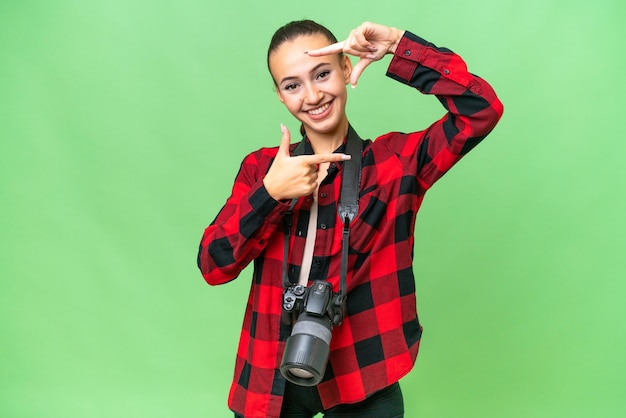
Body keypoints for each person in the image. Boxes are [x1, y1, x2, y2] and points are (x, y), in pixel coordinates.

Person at [197, 19, 503, 418]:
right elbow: (213, 265)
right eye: (292, 85)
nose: (312, 95)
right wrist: (270, 194)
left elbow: (481, 111)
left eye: (322, 74)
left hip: (363, 372)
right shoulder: (263, 169)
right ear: (280, 96)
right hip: (270, 376)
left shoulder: (395, 164)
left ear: (345, 68)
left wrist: (398, 45)